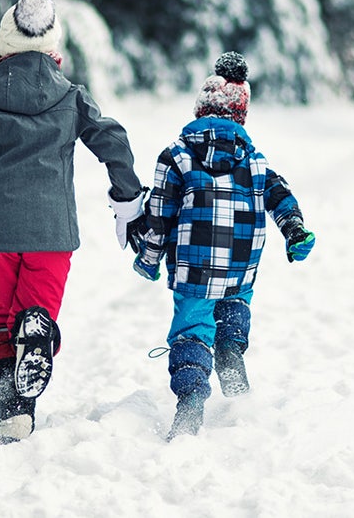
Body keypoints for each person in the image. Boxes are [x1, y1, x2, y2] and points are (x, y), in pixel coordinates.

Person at [0, 0, 144, 444]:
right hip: (52, 231)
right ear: (53, 48)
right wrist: (127, 199)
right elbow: (114, 142)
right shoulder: (71, 99)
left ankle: (12, 409)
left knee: (0, 320)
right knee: (35, 313)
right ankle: (38, 329)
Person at [130, 51, 316, 440]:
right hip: (240, 265)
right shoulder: (254, 159)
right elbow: (281, 197)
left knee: (193, 330)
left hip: (195, 269)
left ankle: (191, 404)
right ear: (241, 117)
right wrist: (294, 231)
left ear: (199, 110)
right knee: (233, 307)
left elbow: (160, 215)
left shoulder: (176, 155)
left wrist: (148, 259)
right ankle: (232, 364)